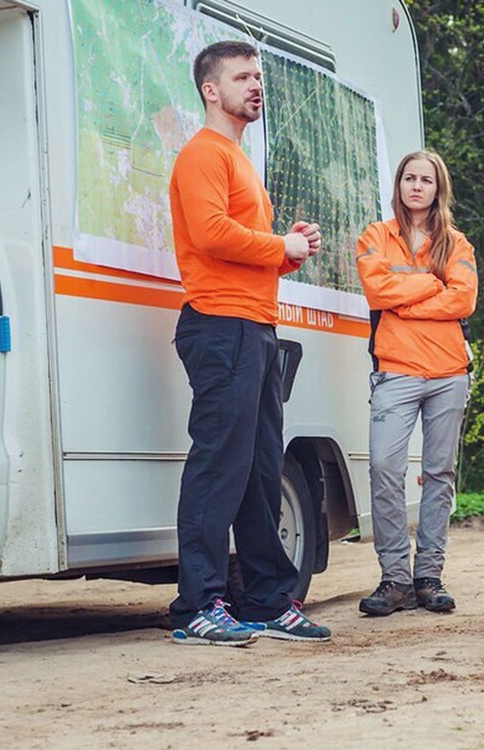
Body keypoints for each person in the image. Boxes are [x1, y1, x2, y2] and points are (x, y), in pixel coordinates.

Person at [168, 40, 330, 645]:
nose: (256, 85)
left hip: (254, 326)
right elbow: (211, 234)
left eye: (258, 76)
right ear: (211, 90)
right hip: (220, 326)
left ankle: (265, 601)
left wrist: (286, 252)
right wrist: (279, 245)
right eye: (242, 77)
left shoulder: (236, 158)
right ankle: (197, 607)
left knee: (261, 471)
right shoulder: (203, 154)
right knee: (219, 467)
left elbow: (240, 248)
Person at [355, 150, 478, 617]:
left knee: (439, 474)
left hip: (449, 373)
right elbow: (376, 291)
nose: (417, 186)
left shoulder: (457, 243)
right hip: (396, 370)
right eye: (410, 178)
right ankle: (395, 579)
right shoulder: (376, 236)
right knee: (385, 468)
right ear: (399, 184)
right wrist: (432, 283)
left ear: (437, 188)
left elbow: (463, 300)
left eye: (426, 180)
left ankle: (428, 576)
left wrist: (405, 302)